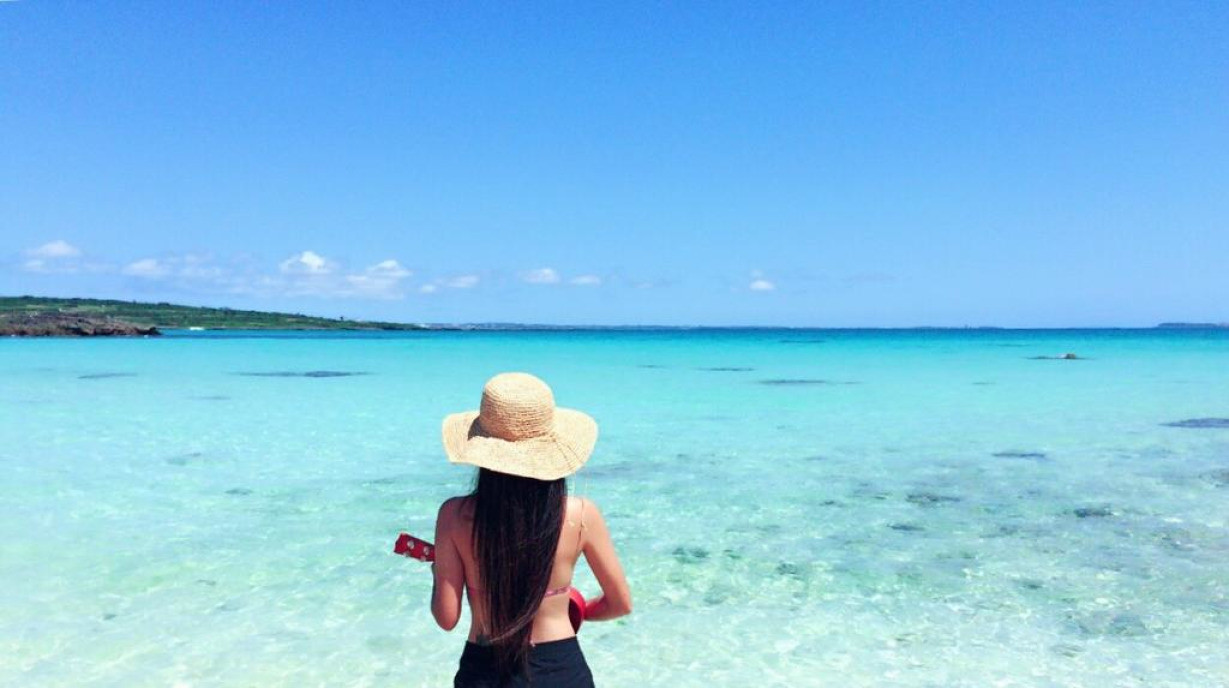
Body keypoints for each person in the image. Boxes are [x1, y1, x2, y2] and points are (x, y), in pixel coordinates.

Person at [430, 372, 633, 687]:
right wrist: (579, 610)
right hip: (562, 671)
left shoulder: (454, 515)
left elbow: (447, 618)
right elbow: (620, 603)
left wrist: (438, 571)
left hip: (485, 671)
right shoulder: (581, 514)